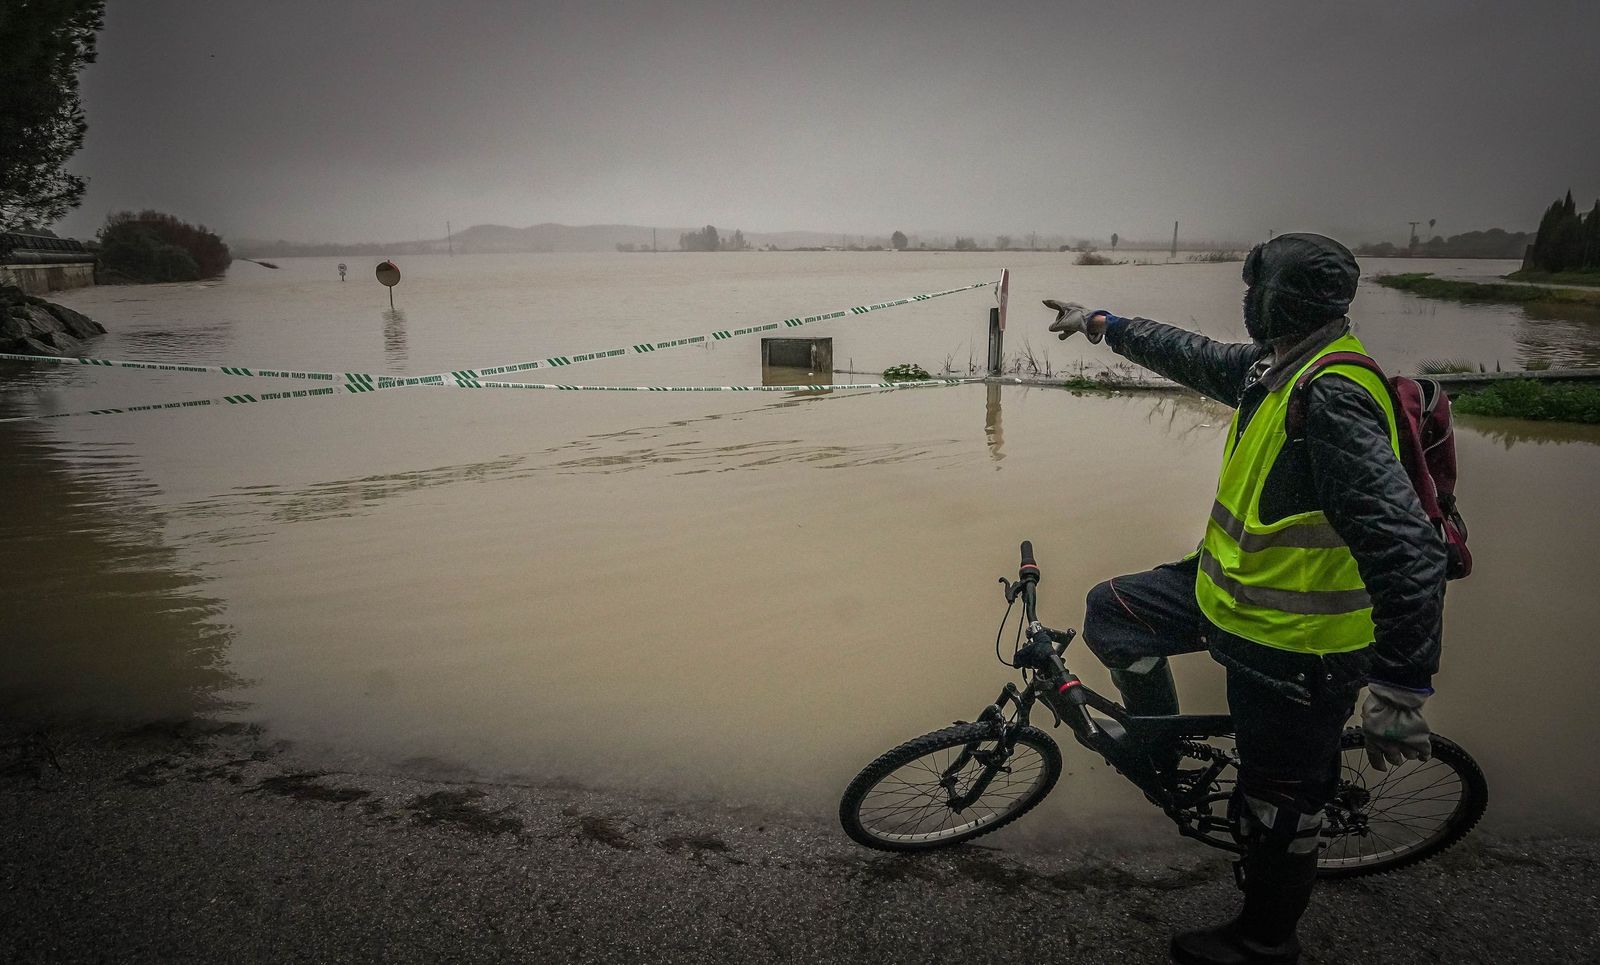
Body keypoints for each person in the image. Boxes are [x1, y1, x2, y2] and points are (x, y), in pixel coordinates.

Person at [1043, 233, 1446, 965]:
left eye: (1255, 286)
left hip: (1298, 647)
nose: (1245, 298)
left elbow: (1412, 552)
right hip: (1229, 599)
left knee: (1276, 806)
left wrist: (1401, 688)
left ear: (1282, 299)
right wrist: (1102, 324)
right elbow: (1192, 353)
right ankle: (1157, 745)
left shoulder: (1331, 398)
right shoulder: (1277, 366)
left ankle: (1265, 940)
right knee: (1112, 612)